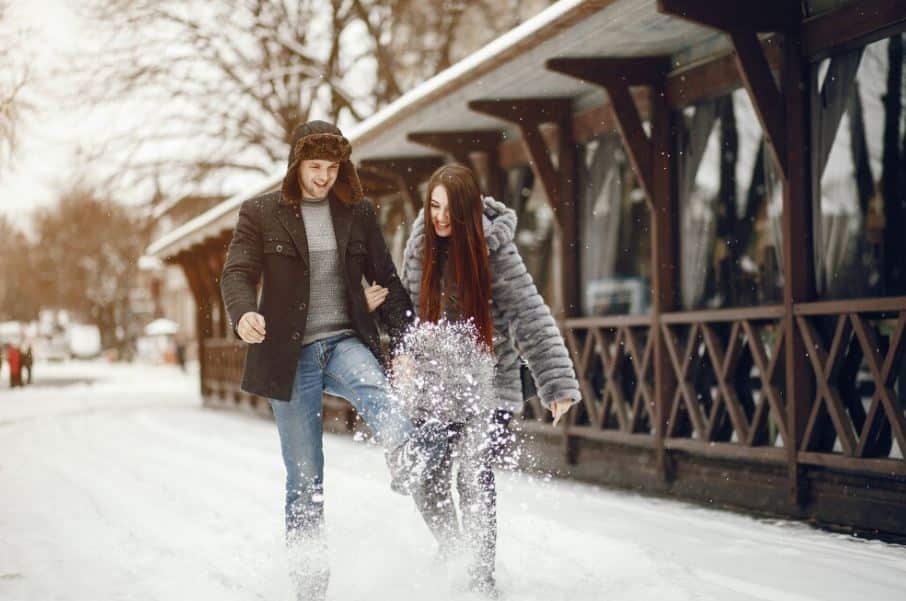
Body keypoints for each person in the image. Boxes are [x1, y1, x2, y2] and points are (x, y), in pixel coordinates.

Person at [220, 120, 442, 601]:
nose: (324, 177)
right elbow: (236, 273)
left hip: (343, 340)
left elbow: (387, 280)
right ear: (296, 164)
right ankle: (309, 586)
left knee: (376, 389)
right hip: (288, 354)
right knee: (305, 478)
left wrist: (405, 346)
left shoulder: (356, 211)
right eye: (315, 166)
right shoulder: (261, 213)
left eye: (333, 167)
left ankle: (407, 456)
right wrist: (243, 314)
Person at [395, 163, 581, 597]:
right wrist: (402, 353)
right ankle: (455, 550)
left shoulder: (496, 249)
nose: (441, 217)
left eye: (450, 209)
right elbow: (406, 313)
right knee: (425, 478)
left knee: (473, 474)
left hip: (487, 385)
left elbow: (530, 315)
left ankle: (481, 580)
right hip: (434, 388)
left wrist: (557, 385)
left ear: (469, 209)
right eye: (434, 206)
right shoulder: (419, 245)